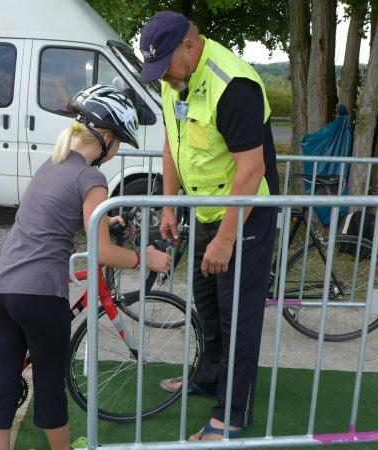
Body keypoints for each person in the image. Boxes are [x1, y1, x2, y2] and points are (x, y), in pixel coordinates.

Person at [0, 85, 172, 450]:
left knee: (3, 380)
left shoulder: (51, 164)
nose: (117, 151)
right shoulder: (92, 178)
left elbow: (53, 215)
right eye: (120, 142)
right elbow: (102, 252)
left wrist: (104, 220)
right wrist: (144, 258)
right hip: (40, 293)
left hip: (1, 287)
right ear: (106, 138)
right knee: (50, 385)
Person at [140, 11, 279, 441]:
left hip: (246, 213)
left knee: (238, 315)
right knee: (207, 302)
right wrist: (169, 207)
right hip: (205, 210)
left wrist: (225, 239)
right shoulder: (174, 81)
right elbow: (172, 144)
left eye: (164, 66)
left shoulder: (234, 86)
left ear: (189, 45)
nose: (163, 78)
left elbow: (251, 170)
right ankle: (209, 375)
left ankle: (232, 413)